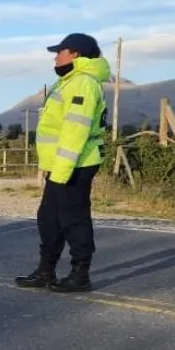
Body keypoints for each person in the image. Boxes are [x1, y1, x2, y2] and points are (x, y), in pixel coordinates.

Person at [15, 33, 110, 292]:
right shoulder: (68, 82)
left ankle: (81, 274)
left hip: (75, 164)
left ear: (75, 54)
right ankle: (46, 271)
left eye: (60, 52)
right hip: (61, 164)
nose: (55, 57)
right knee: (49, 219)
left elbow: (75, 131)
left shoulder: (83, 83)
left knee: (73, 218)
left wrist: (62, 170)